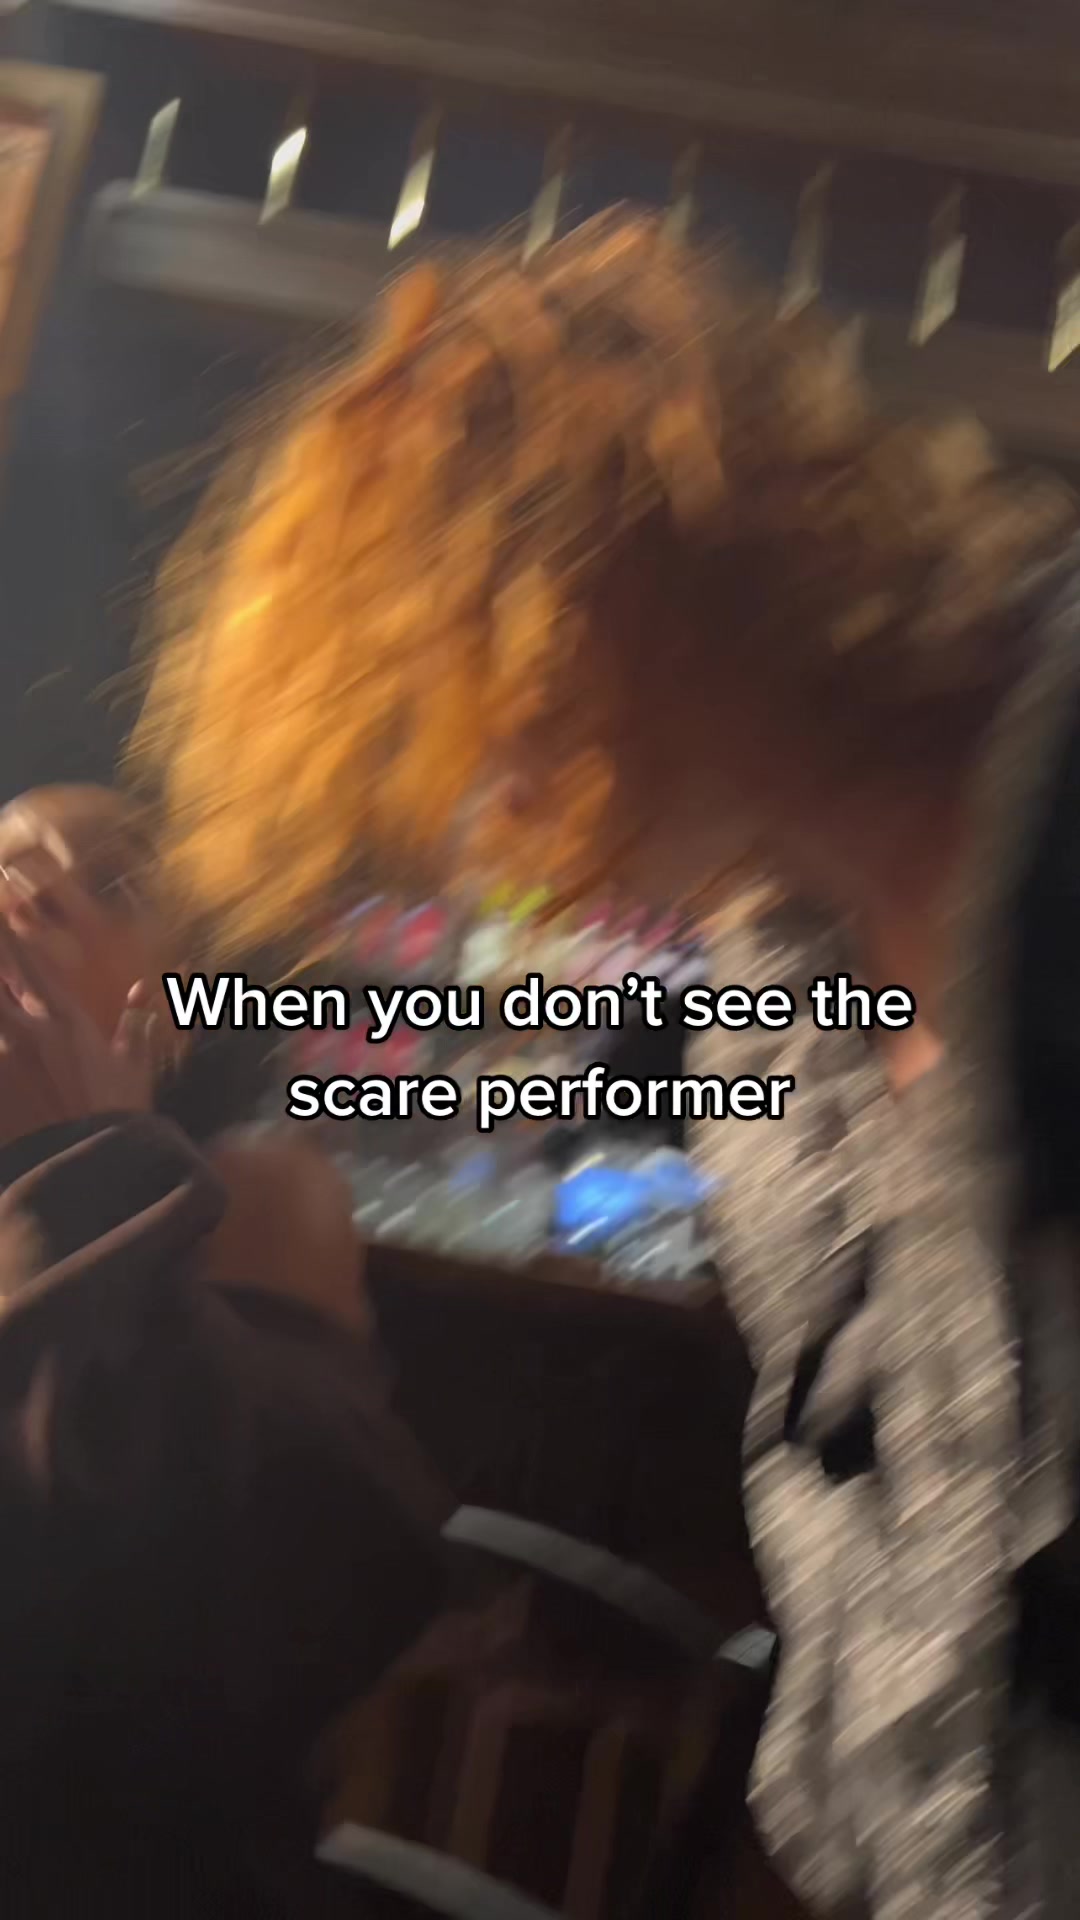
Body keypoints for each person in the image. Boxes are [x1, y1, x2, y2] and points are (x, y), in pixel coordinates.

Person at [129, 209, 1080, 1917]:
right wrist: (382, 1098)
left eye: (475, 736)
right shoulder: (771, 974)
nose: (489, 840)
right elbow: (585, 1107)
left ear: (592, 619)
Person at [0, 910, 450, 1916]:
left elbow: (325, 1564)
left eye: (68, 899)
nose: (14, 907)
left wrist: (85, 1170)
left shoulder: (255, 1193)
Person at [0, 786, 369, 1333]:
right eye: (8, 872)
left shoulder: (267, 1200)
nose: (32, 895)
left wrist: (84, 1162)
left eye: (111, 886)